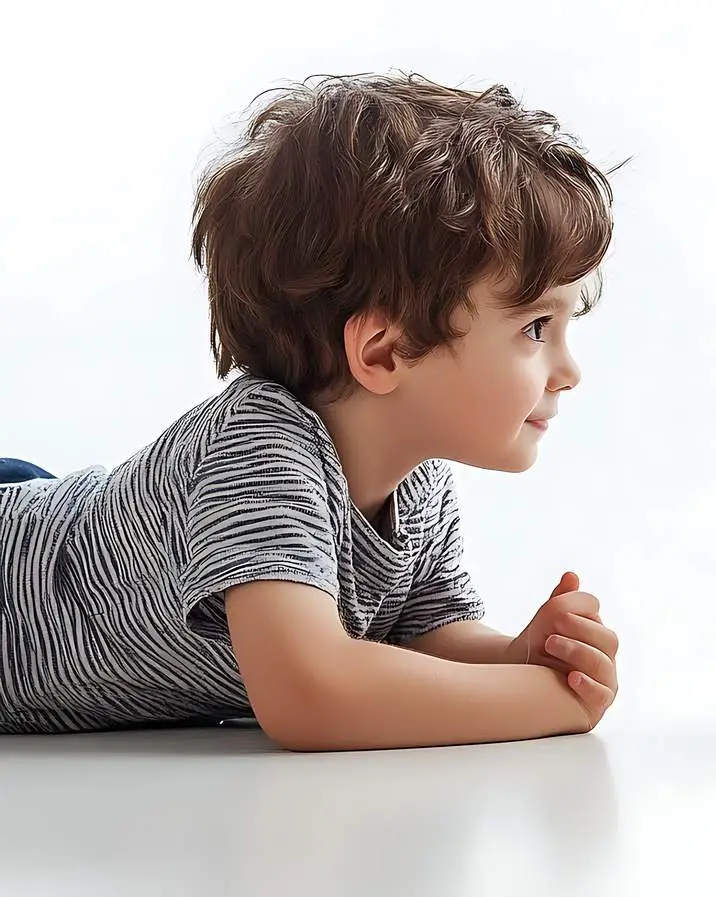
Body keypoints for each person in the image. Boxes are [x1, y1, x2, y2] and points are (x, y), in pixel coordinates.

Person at [0, 72, 620, 751]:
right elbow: (311, 694)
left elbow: (422, 638)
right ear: (384, 351)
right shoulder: (262, 448)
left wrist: (516, 659)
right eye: (536, 328)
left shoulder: (416, 480)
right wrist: (546, 701)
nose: (569, 372)